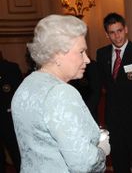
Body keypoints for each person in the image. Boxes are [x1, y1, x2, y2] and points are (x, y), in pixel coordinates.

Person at [11, 14, 110, 173]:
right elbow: (83, 164)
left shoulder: (26, 85)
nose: (87, 59)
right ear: (57, 54)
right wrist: (102, 151)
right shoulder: (61, 93)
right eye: (81, 51)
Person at [96, 12, 132, 173]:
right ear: (107, 34)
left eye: (119, 30)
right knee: (119, 163)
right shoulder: (102, 54)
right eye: (112, 32)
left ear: (126, 29)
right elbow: (104, 85)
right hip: (113, 120)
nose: (117, 36)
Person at [0, 51, 22, 172]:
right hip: (7, 118)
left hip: (9, 119)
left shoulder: (10, 68)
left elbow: (18, 92)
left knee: (16, 153)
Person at [69, 59, 100, 124]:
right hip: (72, 107)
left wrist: (86, 110)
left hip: (88, 106)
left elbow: (95, 91)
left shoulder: (91, 65)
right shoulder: (69, 65)